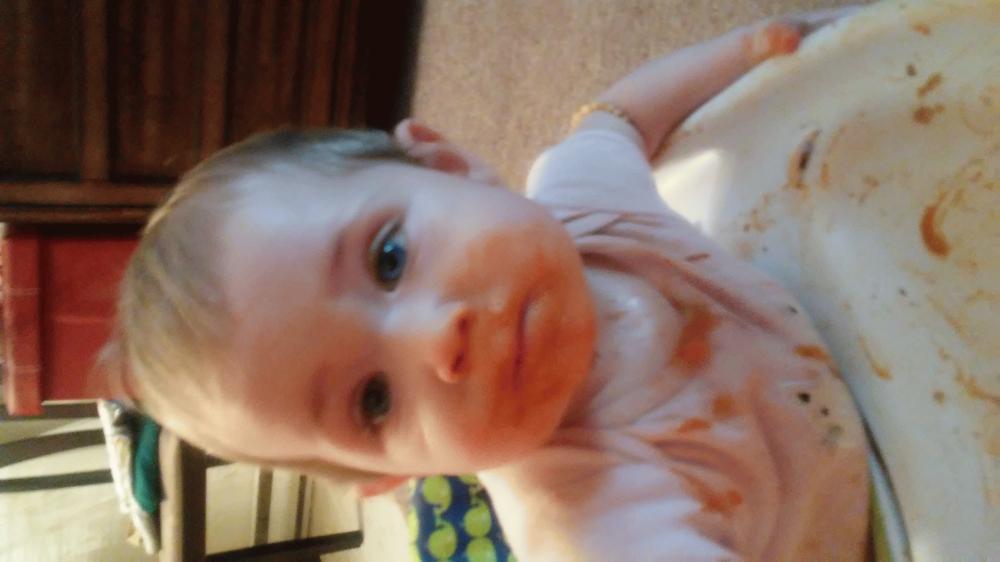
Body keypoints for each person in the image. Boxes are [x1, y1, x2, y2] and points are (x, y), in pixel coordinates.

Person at [103, 9, 869, 561]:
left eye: (390, 258)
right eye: (375, 400)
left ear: (449, 165)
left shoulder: (586, 206)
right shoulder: (595, 520)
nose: (439, 340)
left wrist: (752, 49)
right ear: (394, 475)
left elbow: (619, 118)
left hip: (860, 315)